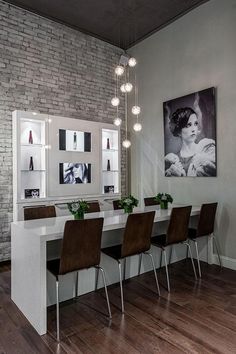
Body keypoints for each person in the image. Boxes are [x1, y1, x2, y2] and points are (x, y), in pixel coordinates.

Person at [165, 107, 216, 176]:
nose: (193, 129)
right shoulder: (173, 160)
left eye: (195, 124)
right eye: (188, 125)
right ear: (179, 131)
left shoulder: (206, 150)